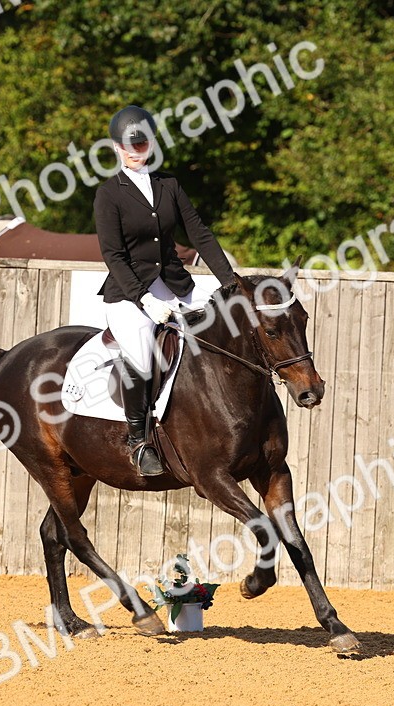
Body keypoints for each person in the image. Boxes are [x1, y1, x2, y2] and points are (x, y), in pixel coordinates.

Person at [94, 105, 239, 477]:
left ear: (151, 144)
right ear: (115, 147)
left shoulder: (169, 185)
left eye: (140, 143)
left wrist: (230, 281)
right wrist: (143, 299)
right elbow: (113, 255)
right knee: (142, 356)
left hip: (176, 284)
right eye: (127, 145)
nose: (134, 150)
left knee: (228, 325)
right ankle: (138, 441)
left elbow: (200, 233)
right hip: (129, 295)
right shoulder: (109, 194)